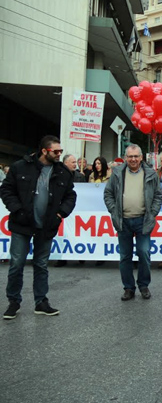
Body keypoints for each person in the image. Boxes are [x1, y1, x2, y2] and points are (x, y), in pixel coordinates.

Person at [1, 135, 77, 319]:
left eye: (61, 151)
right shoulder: (20, 167)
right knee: (16, 264)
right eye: (56, 151)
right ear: (44, 151)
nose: (60, 154)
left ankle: (41, 302)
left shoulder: (63, 172)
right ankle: (13, 302)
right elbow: (6, 190)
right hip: (22, 223)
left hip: (47, 225)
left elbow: (70, 196)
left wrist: (60, 214)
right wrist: (17, 210)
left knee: (41, 264)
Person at [104, 144, 162, 301]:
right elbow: (108, 194)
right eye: (130, 156)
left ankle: (143, 286)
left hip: (143, 220)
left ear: (141, 157)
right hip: (123, 221)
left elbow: (158, 195)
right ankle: (128, 288)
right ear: (125, 158)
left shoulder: (151, 173)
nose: (133, 159)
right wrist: (113, 210)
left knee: (144, 253)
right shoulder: (117, 173)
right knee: (125, 256)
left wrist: (153, 213)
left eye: (136, 156)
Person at [53, 154, 87, 268]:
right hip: (62, 208)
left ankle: (80, 255)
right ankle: (61, 258)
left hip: (78, 209)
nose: (75, 164)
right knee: (62, 234)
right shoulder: (57, 175)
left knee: (78, 232)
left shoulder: (80, 176)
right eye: (72, 162)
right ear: (65, 163)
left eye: (75, 162)